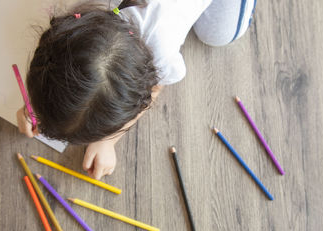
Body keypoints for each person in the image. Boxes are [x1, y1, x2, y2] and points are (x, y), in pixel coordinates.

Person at [16, 0, 257, 179]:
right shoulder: (75, 25)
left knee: (216, 34)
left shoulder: (160, 51)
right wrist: (42, 106)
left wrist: (110, 141)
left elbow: (154, 87)